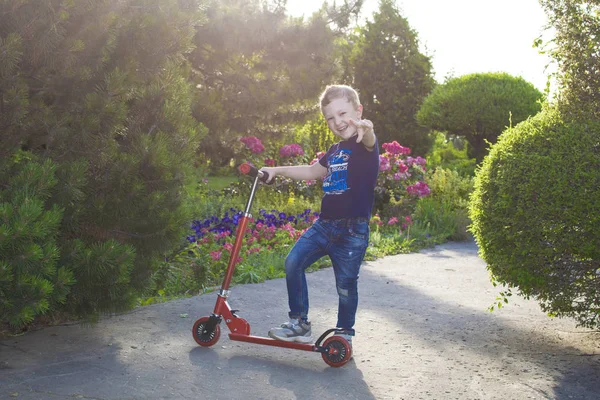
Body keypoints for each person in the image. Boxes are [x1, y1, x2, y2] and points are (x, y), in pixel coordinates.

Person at [259, 84, 379, 346]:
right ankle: (299, 323)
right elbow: (313, 171)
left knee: (346, 286)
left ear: (358, 111)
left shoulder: (365, 146)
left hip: (352, 232)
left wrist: (367, 130)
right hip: (324, 226)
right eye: (330, 118)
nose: (337, 122)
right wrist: (276, 170)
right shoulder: (335, 150)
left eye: (343, 113)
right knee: (293, 262)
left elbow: (369, 138)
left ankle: (344, 334)